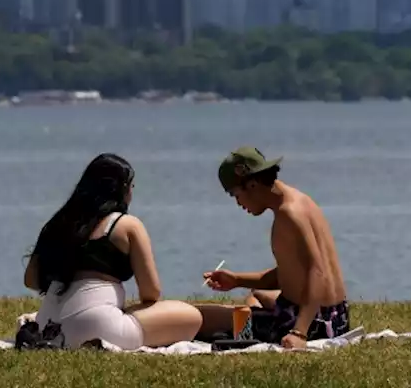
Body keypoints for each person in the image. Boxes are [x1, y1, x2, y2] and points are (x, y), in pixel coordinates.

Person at [22, 153, 202, 349]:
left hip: (47, 324)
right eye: (131, 186)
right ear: (122, 189)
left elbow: (30, 280)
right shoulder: (126, 225)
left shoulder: (58, 224)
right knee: (191, 316)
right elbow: (151, 292)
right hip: (97, 326)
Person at [196, 146, 350, 350]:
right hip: (336, 318)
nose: (238, 203)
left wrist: (298, 333)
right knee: (255, 295)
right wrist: (236, 280)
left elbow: (317, 271)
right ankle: (253, 325)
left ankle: (249, 332)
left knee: (201, 316)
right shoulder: (300, 200)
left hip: (312, 325)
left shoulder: (289, 214)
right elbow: (295, 271)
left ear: (251, 184)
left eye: (235, 194)